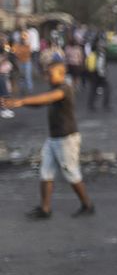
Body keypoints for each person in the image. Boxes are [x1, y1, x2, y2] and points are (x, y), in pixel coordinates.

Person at [0, 59, 94, 219]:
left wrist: (21, 101)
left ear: (61, 74)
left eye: (50, 74)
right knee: (46, 173)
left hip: (67, 139)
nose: (47, 77)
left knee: (71, 173)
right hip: (54, 138)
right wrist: (20, 102)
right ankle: (45, 209)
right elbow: (41, 102)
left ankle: (87, 205)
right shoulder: (56, 88)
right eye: (47, 74)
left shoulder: (65, 88)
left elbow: (48, 98)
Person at [87, 41, 110, 111]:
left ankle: (91, 105)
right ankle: (105, 105)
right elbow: (100, 66)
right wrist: (103, 74)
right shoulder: (100, 55)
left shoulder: (97, 54)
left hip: (94, 75)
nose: (104, 48)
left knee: (93, 90)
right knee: (107, 89)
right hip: (98, 75)